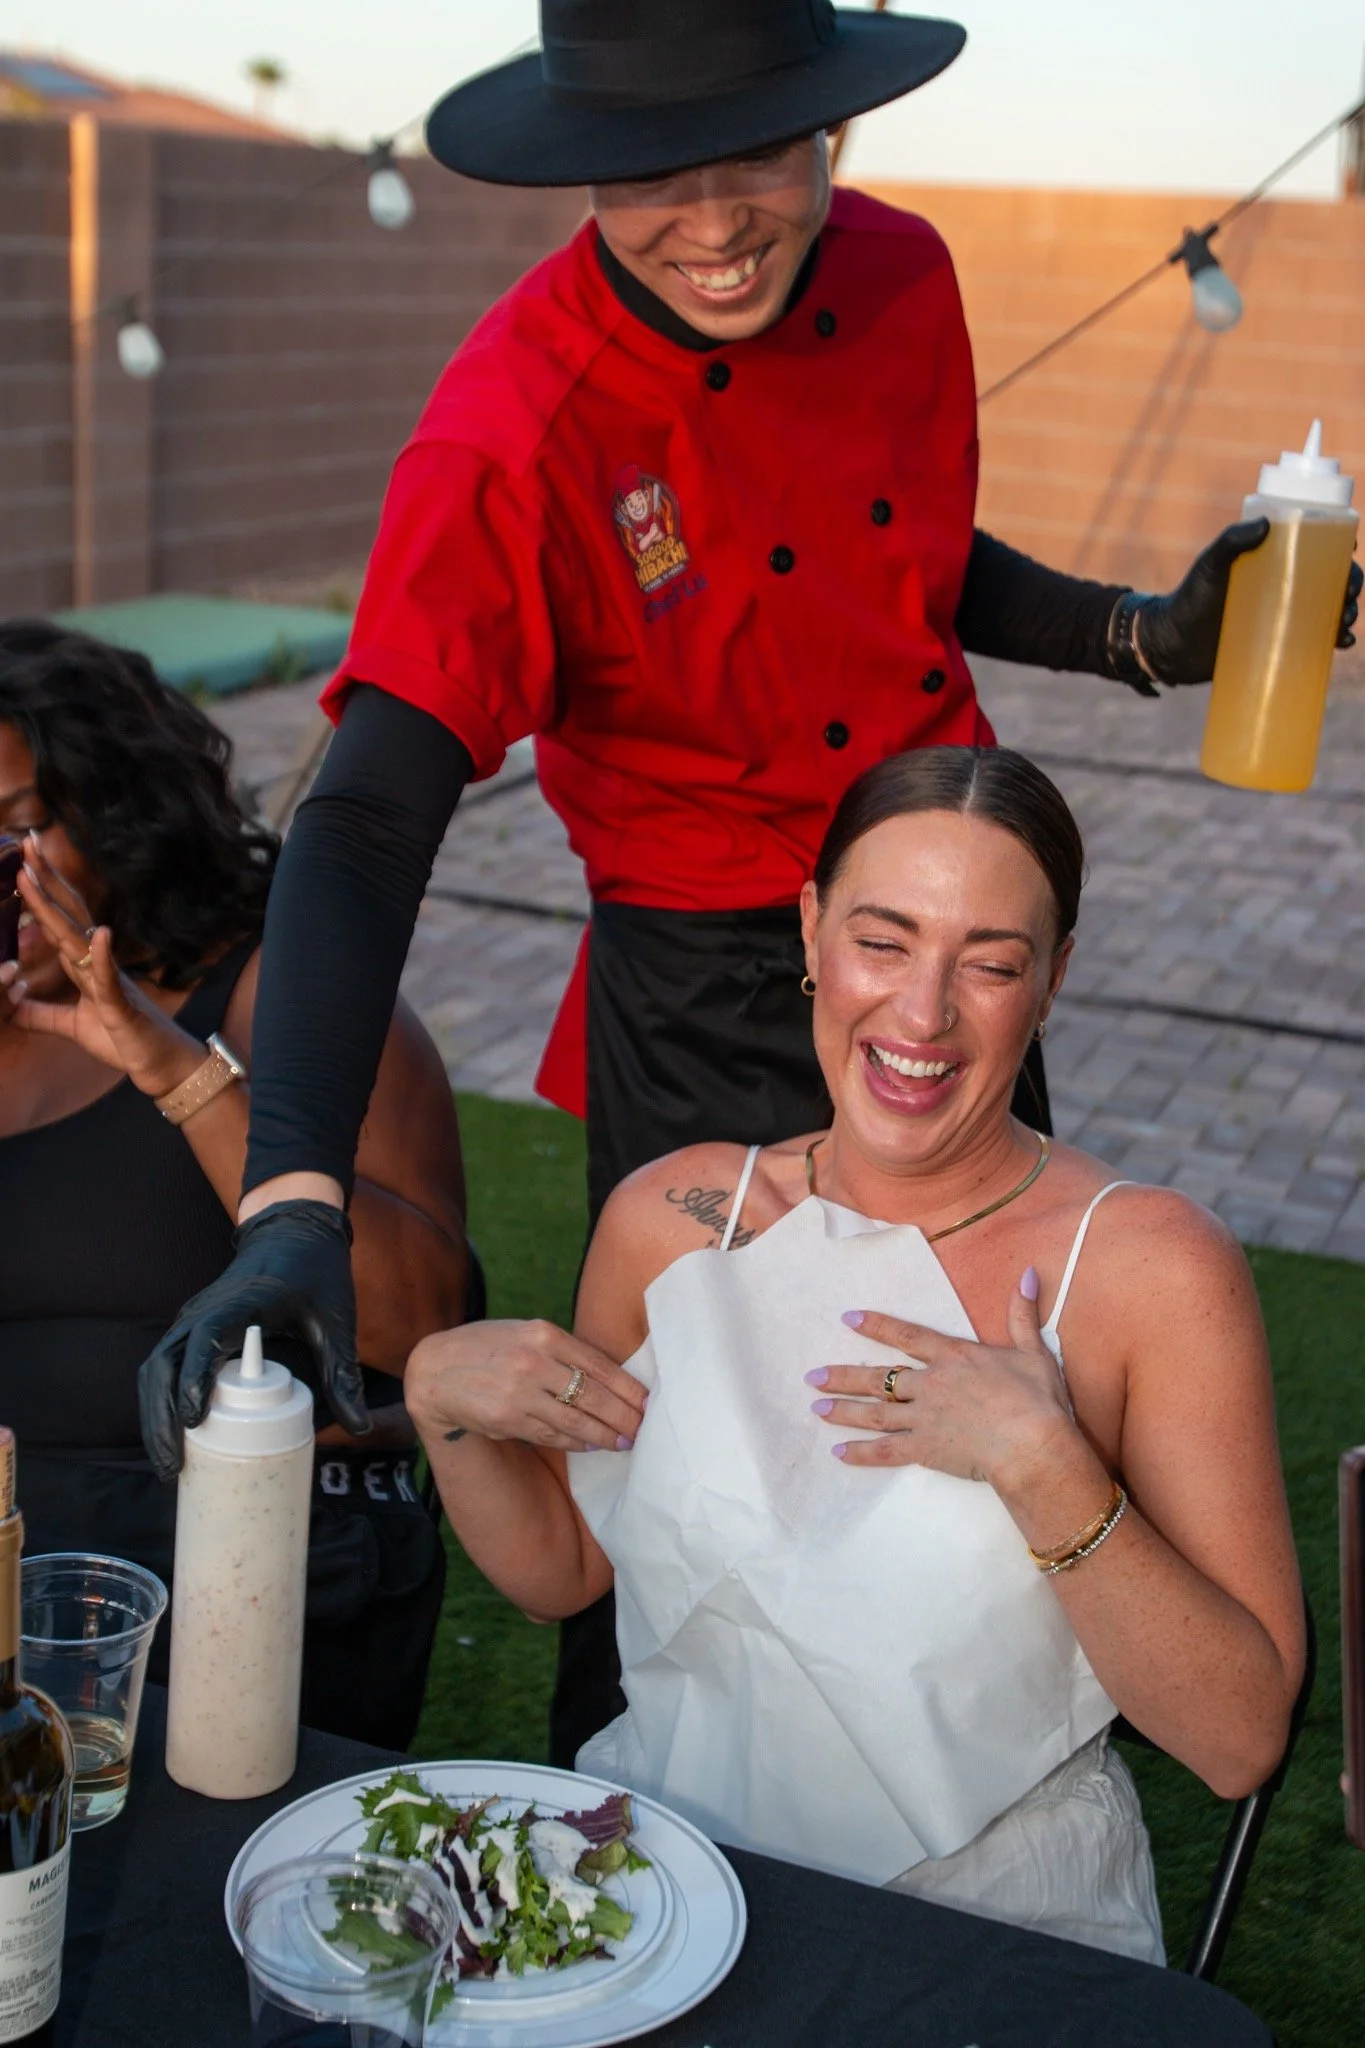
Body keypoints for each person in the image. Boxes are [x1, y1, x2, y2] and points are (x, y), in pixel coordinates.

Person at [144, 0, 1357, 1766]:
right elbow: (363, 819)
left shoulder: (903, 277)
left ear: (827, 131)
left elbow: (909, 554)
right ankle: (633, 1842)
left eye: (760, 157)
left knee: (999, 1411)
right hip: (708, 974)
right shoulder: (511, 426)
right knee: (686, 1471)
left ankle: (1008, 1760)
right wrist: (293, 1206)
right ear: (575, 164)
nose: (716, 223)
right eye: (651, 170)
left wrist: (1133, 636)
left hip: (942, 920)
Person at [403, 745, 1306, 1963]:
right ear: (813, 928)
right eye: (883, 941)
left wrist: (1049, 1468)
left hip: (994, 1932)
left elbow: (1240, 1734)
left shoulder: (1149, 1266)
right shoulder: (673, 1214)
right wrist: (443, 1408)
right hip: (668, 1883)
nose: (923, 1013)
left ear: (1050, 982)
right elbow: (564, 1563)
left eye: (989, 963)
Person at [0, 621, 471, 1748]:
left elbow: (421, 1327)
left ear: (119, 809)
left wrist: (173, 1066)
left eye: (21, 824)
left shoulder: (275, 996)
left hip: (239, 1537)